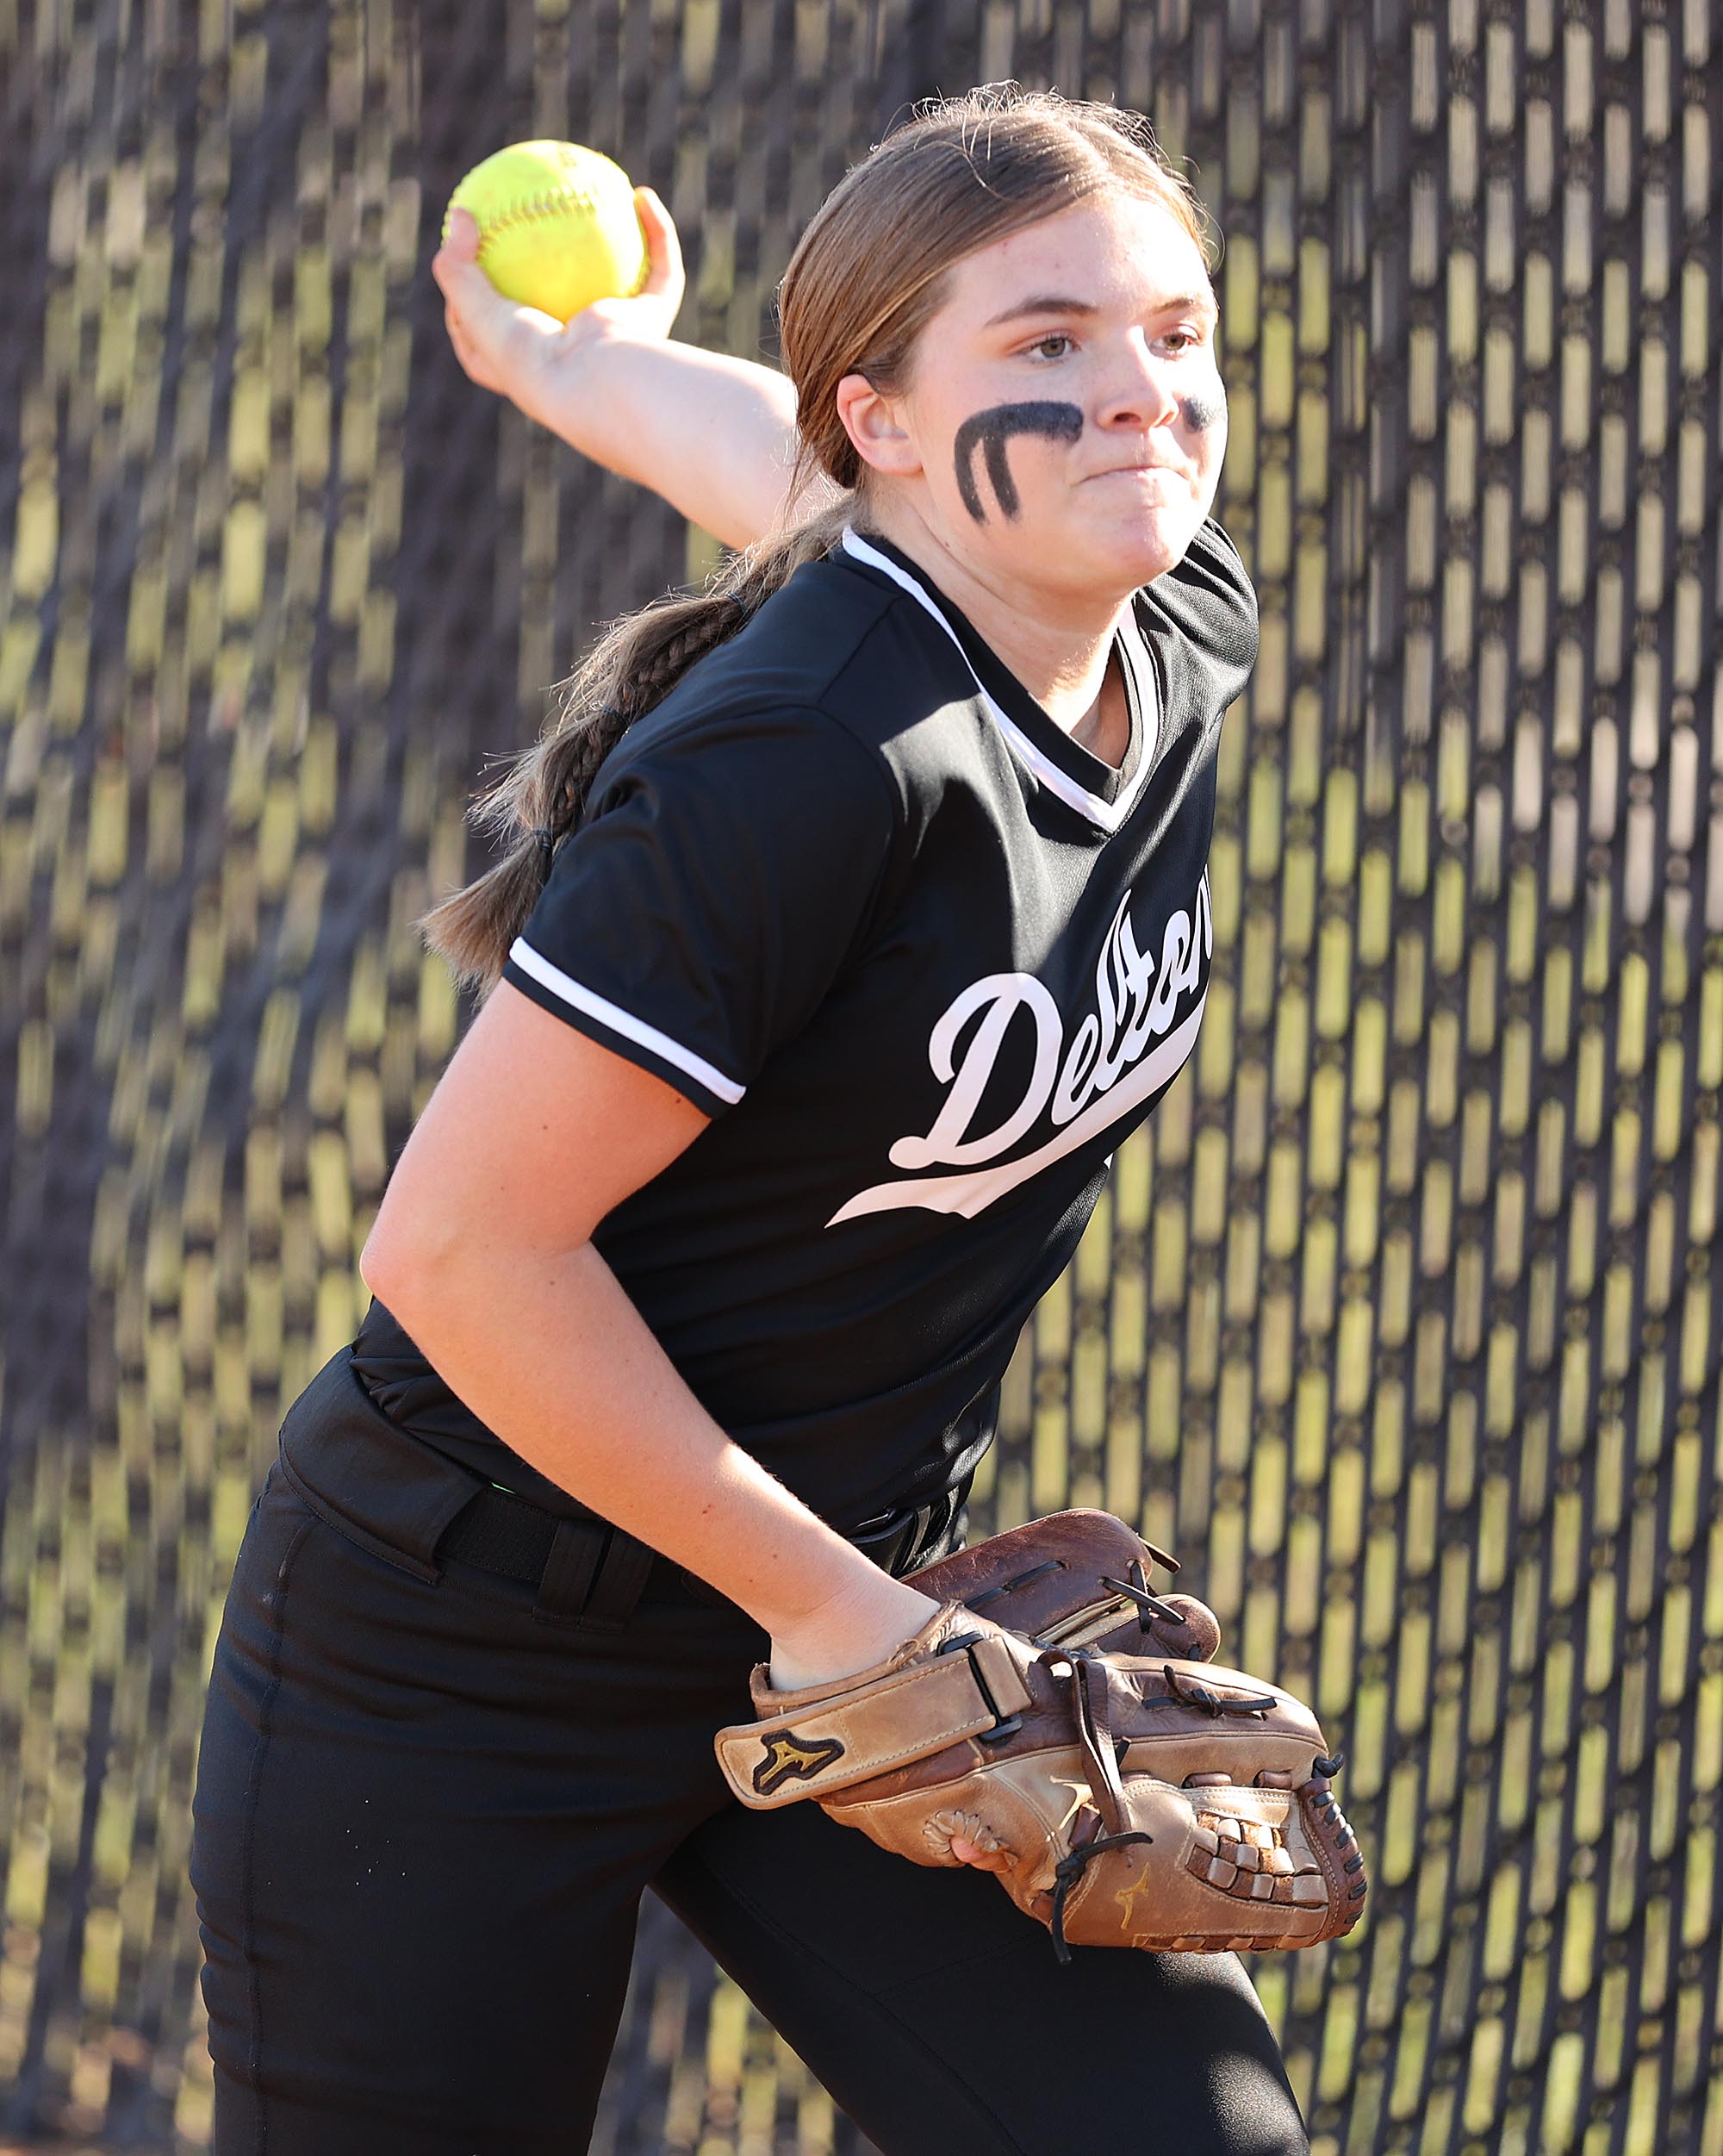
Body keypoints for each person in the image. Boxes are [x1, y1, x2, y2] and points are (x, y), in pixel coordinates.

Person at [190, 85, 1309, 2156]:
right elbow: (456, 1253)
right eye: (1045, 344)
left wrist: (575, 361)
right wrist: (839, 1611)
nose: (1138, 393)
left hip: (845, 1640)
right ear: (886, 418)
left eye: (1174, 331)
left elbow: (779, 474)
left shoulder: (1171, 623)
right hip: (468, 1648)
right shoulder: (802, 762)